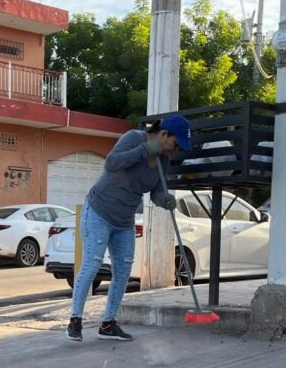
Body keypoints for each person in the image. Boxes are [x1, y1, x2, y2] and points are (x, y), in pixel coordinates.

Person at [67, 114, 192, 342]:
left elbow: (155, 191)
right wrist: (145, 149)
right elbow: (111, 163)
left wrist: (165, 199)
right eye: (176, 144)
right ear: (164, 134)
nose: (176, 150)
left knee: (123, 271)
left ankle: (108, 324)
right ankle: (75, 319)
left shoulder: (164, 160)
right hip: (99, 210)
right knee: (93, 263)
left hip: (124, 220)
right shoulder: (134, 138)